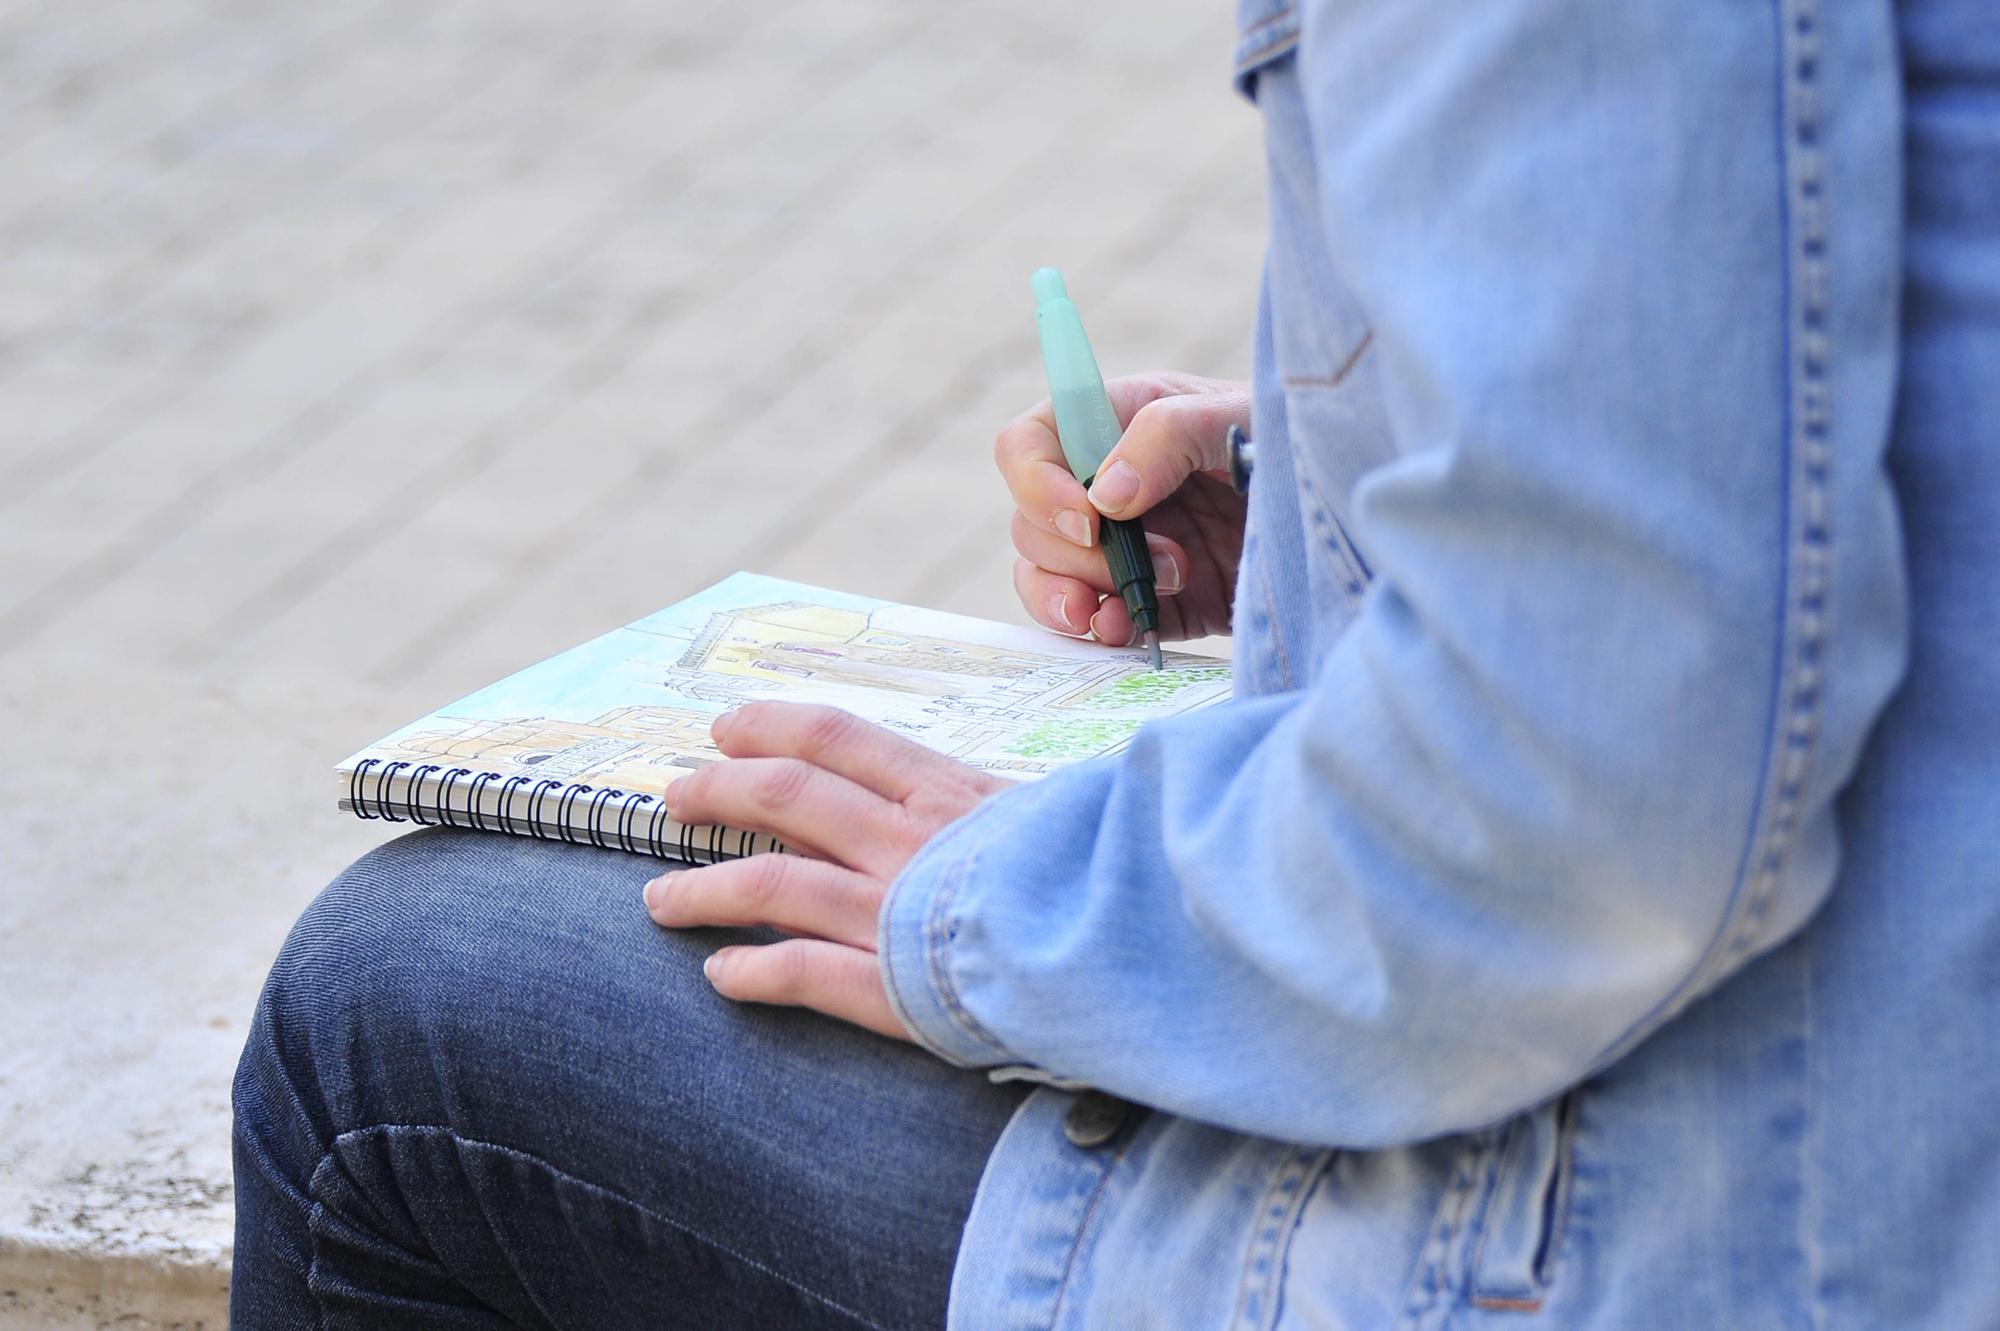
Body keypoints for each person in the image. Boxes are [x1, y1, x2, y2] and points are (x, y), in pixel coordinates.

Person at [231, 0, 1999, 1326]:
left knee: (398, 1011)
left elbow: (1581, 796)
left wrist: (991, 900)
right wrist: (1327, 484)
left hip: (1736, 1224)